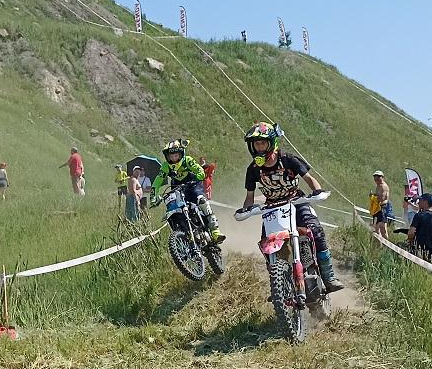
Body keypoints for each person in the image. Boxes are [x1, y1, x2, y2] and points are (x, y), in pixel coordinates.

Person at [240, 122, 345, 292]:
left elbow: (309, 178)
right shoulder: (253, 169)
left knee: (316, 231)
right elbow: (249, 197)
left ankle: (329, 276)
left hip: (296, 201)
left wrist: (317, 191)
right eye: (256, 144)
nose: (259, 147)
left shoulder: (288, 159)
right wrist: (246, 209)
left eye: (262, 143)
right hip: (272, 208)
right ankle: (278, 287)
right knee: (266, 245)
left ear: (271, 142)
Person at [150, 139, 225, 243]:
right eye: (171, 156)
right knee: (173, 209)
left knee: (202, 201)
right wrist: (153, 197)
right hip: (177, 189)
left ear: (181, 153)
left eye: (176, 155)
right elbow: (157, 182)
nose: (174, 158)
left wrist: (200, 175)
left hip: (193, 186)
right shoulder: (166, 166)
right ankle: (184, 237)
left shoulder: (188, 160)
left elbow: (199, 170)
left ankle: (215, 231)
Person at [408, 193, 432, 263]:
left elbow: (411, 233)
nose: (418, 202)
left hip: (419, 249)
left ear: (425, 202)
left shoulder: (418, 215)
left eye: (420, 200)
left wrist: (411, 240)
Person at [369, 170, 393, 238]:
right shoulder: (378, 186)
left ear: (382, 177)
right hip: (377, 209)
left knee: (383, 229)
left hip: (382, 208)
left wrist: (374, 197)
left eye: (378, 177)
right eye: (375, 177)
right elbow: (378, 197)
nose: (376, 179)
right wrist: (373, 196)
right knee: (376, 229)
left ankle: (386, 245)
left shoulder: (383, 186)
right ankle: (378, 246)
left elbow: (382, 198)